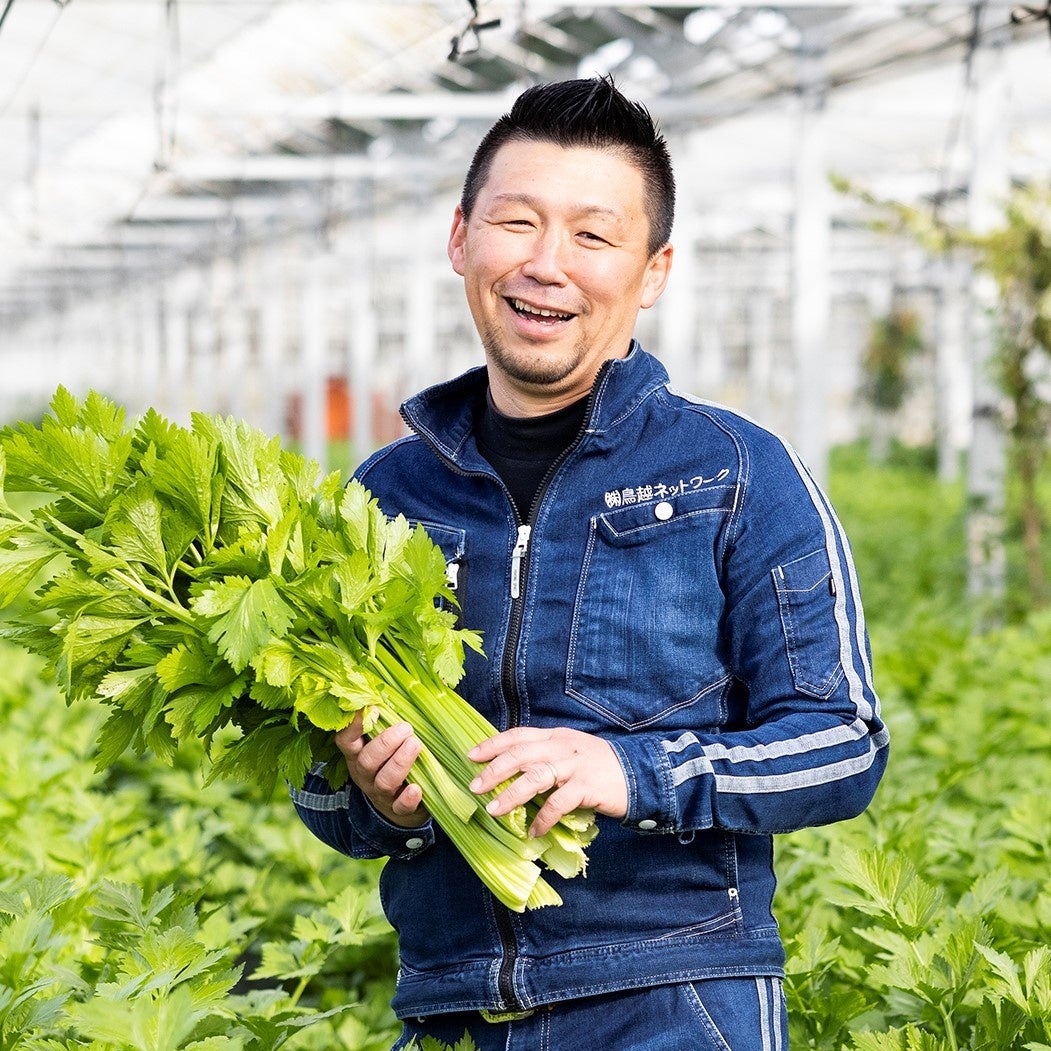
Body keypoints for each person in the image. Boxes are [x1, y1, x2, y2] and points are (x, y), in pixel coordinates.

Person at [290, 75, 889, 1050]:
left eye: (592, 235)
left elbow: (843, 742)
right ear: (459, 239)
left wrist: (633, 770)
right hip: (450, 1006)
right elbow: (315, 785)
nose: (545, 263)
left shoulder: (738, 472)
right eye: (517, 222)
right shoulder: (380, 498)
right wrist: (368, 794)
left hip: (676, 1003)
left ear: (651, 270)